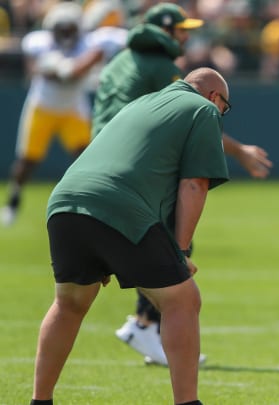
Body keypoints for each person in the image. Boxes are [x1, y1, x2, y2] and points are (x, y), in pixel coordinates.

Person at [31, 67, 230, 405]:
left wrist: (103, 250)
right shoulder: (203, 109)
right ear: (214, 97)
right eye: (225, 107)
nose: (222, 113)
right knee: (182, 299)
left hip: (65, 201)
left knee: (70, 303)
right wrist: (180, 251)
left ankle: (40, 400)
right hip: (118, 205)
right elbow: (195, 184)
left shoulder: (143, 103)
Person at [89, 2, 272, 366]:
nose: (186, 36)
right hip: (136, 166)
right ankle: (146, 323)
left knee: (82, 282)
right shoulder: (161, 68)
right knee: (172, 238)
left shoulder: (122, 61)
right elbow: (189, 120)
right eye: (181, 30)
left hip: (100, 161)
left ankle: (142, 321)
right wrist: (240, 151)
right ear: (165, 31)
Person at [1, 1, 123, 226]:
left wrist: (69, 67)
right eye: (62, 29)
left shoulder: (90, 43)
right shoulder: (40, 43)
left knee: (86, 159)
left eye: (70, 29)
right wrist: (61, 68)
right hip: (42, 106)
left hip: (73, 108)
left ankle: (92, 203)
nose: (66, 34)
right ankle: (13, 202)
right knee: (27, 160)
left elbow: (86, 63)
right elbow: (35, 70)